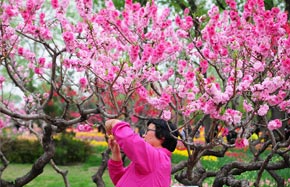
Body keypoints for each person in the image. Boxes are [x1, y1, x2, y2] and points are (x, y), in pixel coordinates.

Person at [105, 118, 178, 187]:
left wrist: (115, 123)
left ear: (162, 136)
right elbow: (119, 179)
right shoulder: (153, 160)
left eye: (148, 130)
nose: (143, 135)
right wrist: (115, 152)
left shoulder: (158, 159)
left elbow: (129, 140)